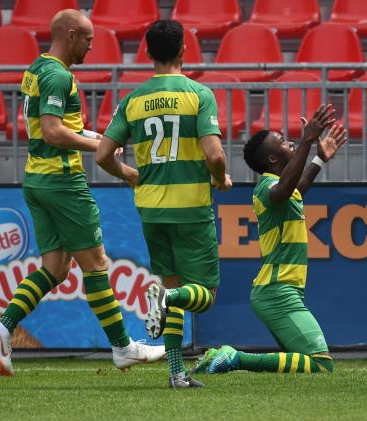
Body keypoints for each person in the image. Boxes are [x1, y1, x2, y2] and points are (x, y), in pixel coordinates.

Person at [0, 9, 164, 376]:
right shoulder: (57, 75)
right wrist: (95, 147)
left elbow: (56, 127)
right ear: (70, 35)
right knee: (96, 264)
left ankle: (2, 328)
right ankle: (122, 347)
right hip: (62, 183)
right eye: (88, 40)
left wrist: (95, 136)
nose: (91, 47)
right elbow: (52, 131)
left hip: (37, 179)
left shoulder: (36, 69)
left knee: (55, 268)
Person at [95, 19, 232, 388]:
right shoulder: (198, 94)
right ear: (184, 50)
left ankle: (176, 373)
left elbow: (103, 154)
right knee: (203, 298)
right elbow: (215, 156)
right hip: (190, 207)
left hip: (152, 208)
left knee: (170, 289)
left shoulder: (133, 100)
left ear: (147, 53)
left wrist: (129, 174)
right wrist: (219, 178)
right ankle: (167, 298)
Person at [193, 105, 347, 375]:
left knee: (297, 361)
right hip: (277, 292)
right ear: (274, 160)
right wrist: (308, 141)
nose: (291, 143)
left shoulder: (281, 189)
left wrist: (319, 160)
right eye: (285, 143)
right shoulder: (267, 186)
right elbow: (286, 188)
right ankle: (234, 358)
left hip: (280, 290)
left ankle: (228, 357)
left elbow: (295, 188)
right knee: (321, 364)